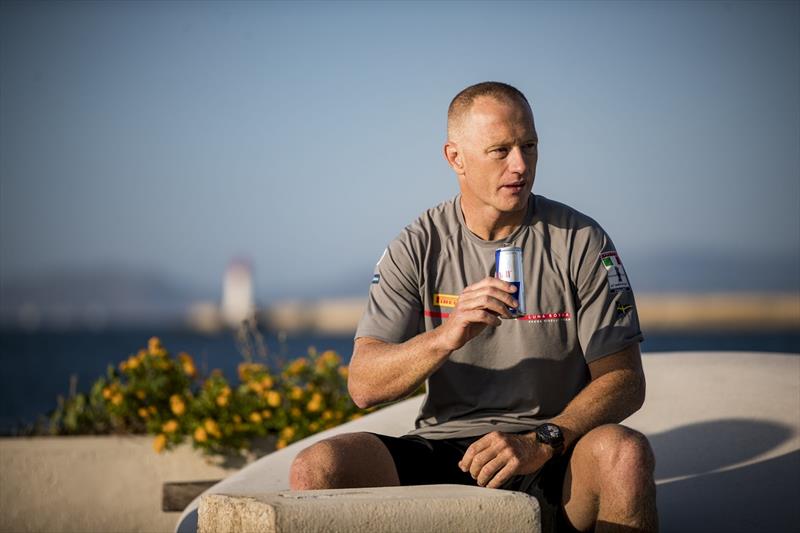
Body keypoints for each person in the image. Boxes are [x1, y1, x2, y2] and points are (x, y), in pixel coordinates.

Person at [290, 81, 658, 532]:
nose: (520, 165)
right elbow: (364, 385)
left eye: (529, 146)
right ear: (455, 157)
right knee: (319, 467)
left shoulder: (582, 240)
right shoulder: (417, 245)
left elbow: (625, 381)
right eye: (500, 151)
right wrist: (449, 334)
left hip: (552, 449)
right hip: (447, 449)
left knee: (626, 453)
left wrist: (544, 439)